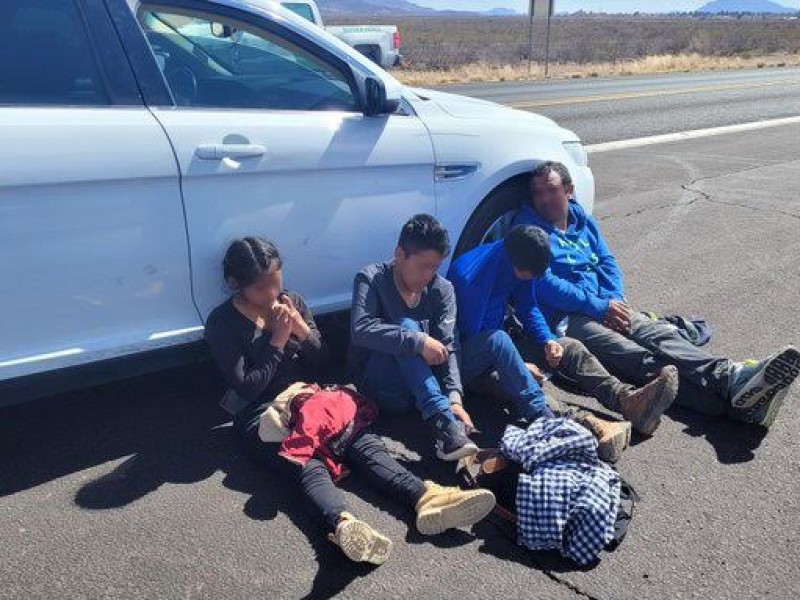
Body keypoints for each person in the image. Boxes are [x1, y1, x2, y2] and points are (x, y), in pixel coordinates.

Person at [205, 237, 496, 565]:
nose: (272, 293)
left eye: (276, 280)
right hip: (262, 413)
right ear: (236, 284)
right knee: (305, 459)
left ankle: (425, 496)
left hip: (311, 397)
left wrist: (302, 330)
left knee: (359, 439)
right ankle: (343, 524)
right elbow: (246, 387)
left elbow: (323, 363)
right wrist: (278, 340)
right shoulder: (222, 322)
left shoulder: (293, 302)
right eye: (261, 287)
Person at [513, 161, 800, 429]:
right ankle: (733, 398)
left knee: (659, 335)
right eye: (537, 192)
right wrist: (599, 307)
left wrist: (615, 299)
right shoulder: (528, 229)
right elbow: (543, 284)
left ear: (568, 190)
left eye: (551, 189)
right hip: (568, 317)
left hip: (604, 303)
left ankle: (733, 384)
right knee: (637, 357)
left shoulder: (582, 220)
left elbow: (607, 261)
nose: (544, 198)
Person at [448, 225, 677, 448]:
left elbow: (527, 307)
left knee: (569, 347)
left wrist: (547, 340)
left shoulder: (521, 259)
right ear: (513, 261)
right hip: (472, 359)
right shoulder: (471, 280)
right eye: (528, 277)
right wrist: (518, 365)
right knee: (518, 381)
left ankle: (626, 400)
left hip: (502, 339)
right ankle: (586, 426)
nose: (529, 281)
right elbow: (478, 341)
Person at [349, 214, 479, 461]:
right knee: (408, 328)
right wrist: (417, 341)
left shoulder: (443, 289)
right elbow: (361, 329)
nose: (429, 275)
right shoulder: (371, 279)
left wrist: (454, 397)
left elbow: (449, 344)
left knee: (496, 341)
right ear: (400, 255)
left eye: (435, 267)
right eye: (423, 266)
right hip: (381, 388)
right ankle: (443, 424)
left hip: (421, 389)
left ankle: (539, 413)